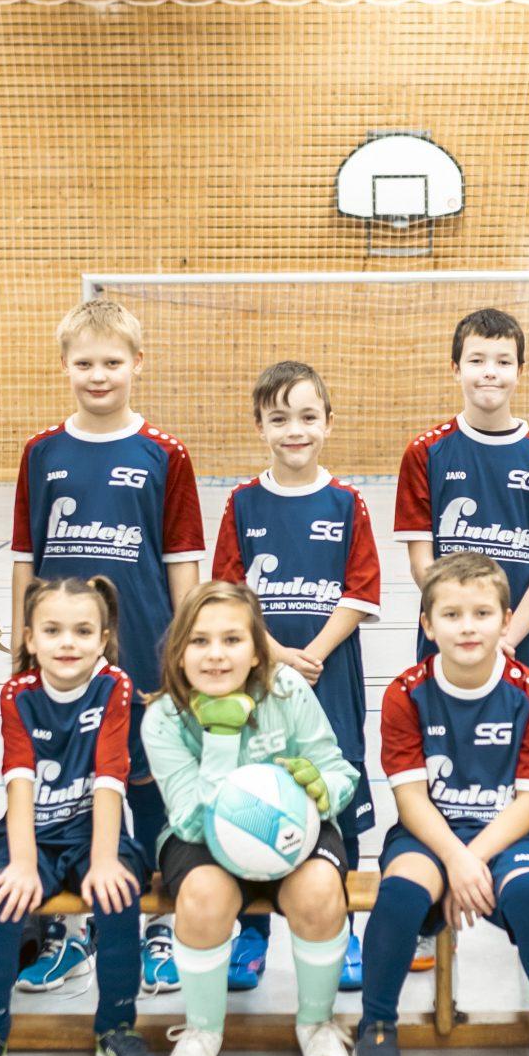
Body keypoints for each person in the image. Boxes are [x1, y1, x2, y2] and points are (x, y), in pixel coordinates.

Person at [9, 296, 205, 993]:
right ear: (64, 365)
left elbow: (182, 561)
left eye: (112, 363)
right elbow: (26, 557)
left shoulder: (163, 453)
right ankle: (71, 934)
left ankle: (159, 927)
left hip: (145, 647)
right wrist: (22, 650)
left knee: (149, 781)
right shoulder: (42, 452)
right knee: (66, 784)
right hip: (61, 656)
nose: (98, 376)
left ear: (137, 364)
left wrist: (186, 651)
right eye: (85, 363)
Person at [351, 553, 529, 1056]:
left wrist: (470, 859)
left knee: (528, 892)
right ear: (427, 625)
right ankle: (376, 1025)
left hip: (510, 832)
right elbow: (410, 800)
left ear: (506, 620)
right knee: (401, 892)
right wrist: (454, 858)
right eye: (451, 615)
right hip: (430, 832)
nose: (468, 627)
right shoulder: (405, 693)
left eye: (482, 613)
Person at [0, 576, 161, 1056]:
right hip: (31, 832)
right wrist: (21, 863)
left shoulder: (115, 685)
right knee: (3, 900)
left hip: (94, 830)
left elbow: (110, 778)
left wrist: (104, 861)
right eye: (53, 630)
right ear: (30, 639)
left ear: (103, 639)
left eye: (83, 631)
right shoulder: (18, 693)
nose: (68, 643)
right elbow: (18, 781)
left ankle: (117, 1028)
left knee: (119, 892)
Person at [140, 581, 360, 1056]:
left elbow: (339, 771)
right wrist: (221, 736)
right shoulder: (164, 717)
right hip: (202, 832)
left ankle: (316, 1023)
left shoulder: (287, 690)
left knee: (319, 891)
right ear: (178, 651)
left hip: (293, 829)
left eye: (232, 640)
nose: (216, 655)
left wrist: (320, 788)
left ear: (257, 650)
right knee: (203, 896)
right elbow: (190, 820)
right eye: (199, 641)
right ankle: (202, 1032)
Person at [211, 360, 382, 993]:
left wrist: (312, 651)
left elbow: (361, 591)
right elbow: (226, 595)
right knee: (253, 794)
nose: (295, 431)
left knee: (337, 792)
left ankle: (342, 929)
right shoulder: (243, 503)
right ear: (259, 425)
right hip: (259, 679)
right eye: (279, 419)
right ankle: (253, 932)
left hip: (330, 677)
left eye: (308, 417)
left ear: (328, 423)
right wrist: (275, 652)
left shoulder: (346, 502)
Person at [394, 306, 529, 689]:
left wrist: (504, 637)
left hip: (524, 646)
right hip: (449, 645)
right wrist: (463, 627)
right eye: (477, 360)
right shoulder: (425, 453)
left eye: (503, 361)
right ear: (455, 368)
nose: (490, 372)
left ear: (520, 371)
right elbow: (421, 563)